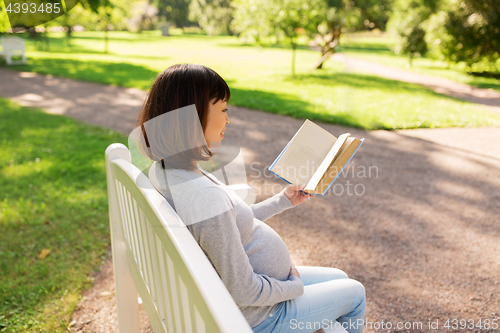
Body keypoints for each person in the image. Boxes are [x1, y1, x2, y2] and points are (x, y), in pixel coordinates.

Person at [134, 63, 366, 333]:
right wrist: (293, 286)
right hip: (259, 317)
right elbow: (244, 291)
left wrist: (282, 201)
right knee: (354, 293)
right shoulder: (203, 198)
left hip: (251, 298)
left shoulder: (171, 170)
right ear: (194, 117)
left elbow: (226, 224)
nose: (228, 119)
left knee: (338, 277)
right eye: (222, 109)